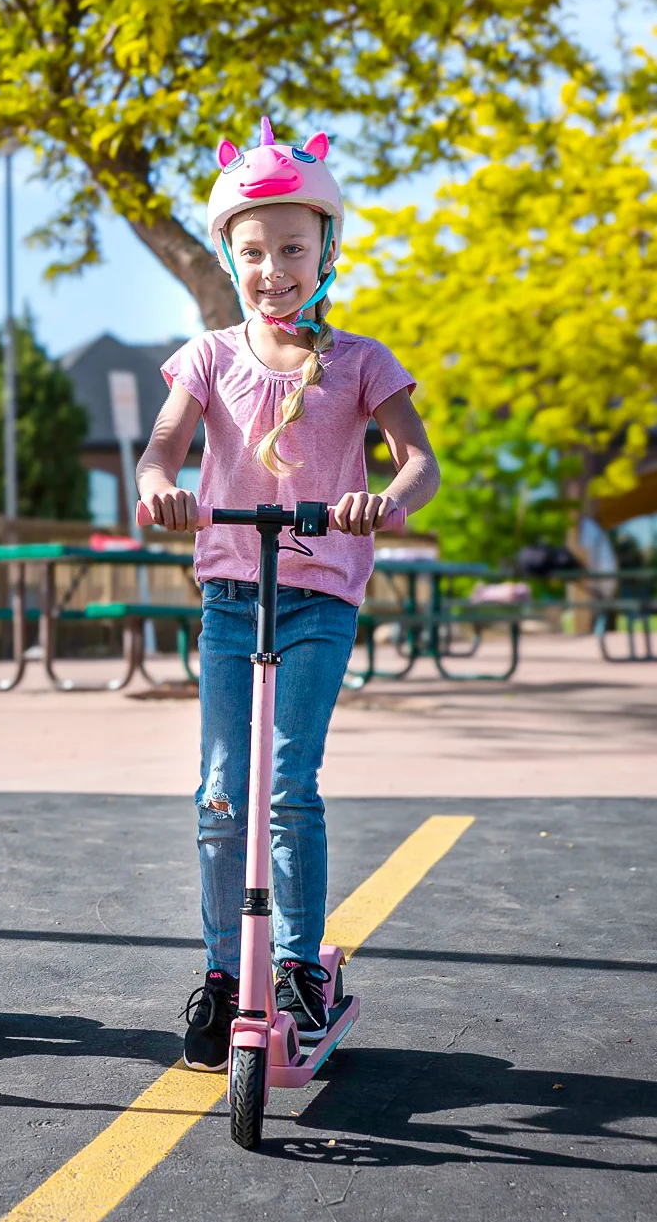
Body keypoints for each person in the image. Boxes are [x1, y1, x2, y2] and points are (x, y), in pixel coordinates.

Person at [136, 118, 441, 1071]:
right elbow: (159, 452)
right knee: (223, 794)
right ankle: (228, 972)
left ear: (326, 252)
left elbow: (419, 461)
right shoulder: (208, 357)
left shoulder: (358, 360)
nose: (275, 268)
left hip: (318, 600)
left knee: (287, 787)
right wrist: (159, 490)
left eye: (293, 249)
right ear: (230, 255)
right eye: (256, 250)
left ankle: (300, 965)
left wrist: (382, 502)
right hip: (232, 594)